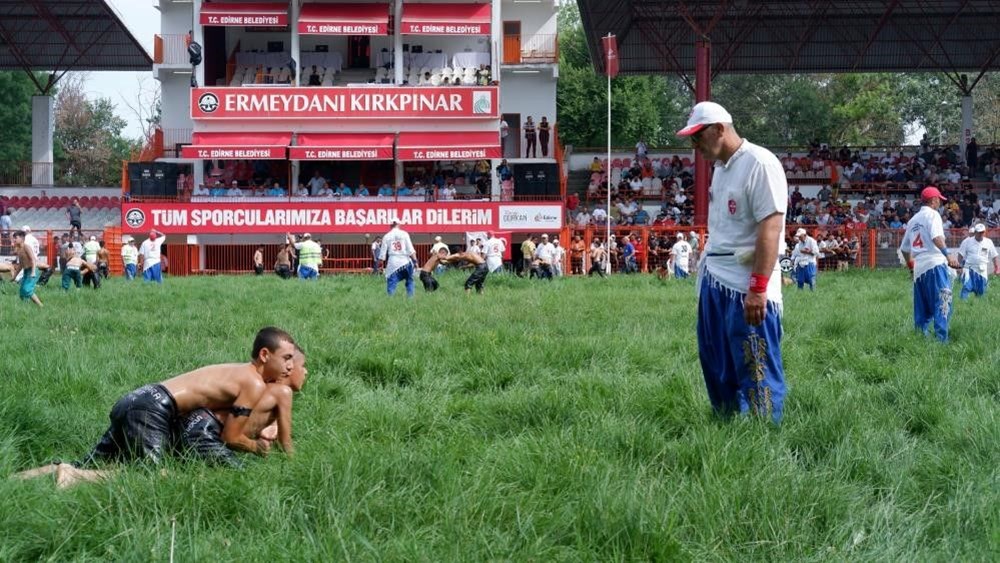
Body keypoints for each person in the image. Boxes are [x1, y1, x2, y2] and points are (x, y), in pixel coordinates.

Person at [15, 327, 298, 487]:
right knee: (149, 477)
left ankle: (18, 479)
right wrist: (257, 449)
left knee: (92, 462)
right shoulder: (253, 382)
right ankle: (73, 477)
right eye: (286, 357)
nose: (290, 365)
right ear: (264, 354)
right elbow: (231, 437)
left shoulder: (238, 372)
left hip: (138, 398)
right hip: (152, 409)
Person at [677, 101, 788, 423]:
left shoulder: (760, 163)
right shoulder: (721, 168)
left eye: (698, 137)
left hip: (744, 283)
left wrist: (758, 287)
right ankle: (724, 425)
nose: (694, 146)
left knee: (755, 361)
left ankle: (764, 430)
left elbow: (771, 227)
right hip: (716, 278)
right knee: (715, 360)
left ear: (719, 129)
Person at [899, 186, 961, 342]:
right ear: (933, 200)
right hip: (934, 263)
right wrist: (948, 255)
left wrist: (911, 267)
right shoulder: (933, 215)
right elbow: (936, 237)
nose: (940, 202)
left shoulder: (913, 220)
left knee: (922, 309)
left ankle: (920, 340)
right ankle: (942, 342)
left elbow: (905, 249)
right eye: (939, 199)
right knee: (943, 303)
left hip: (919, 268)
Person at [957, 223, 999, 299]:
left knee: (982, 292)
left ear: (984, 232)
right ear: (975, 232)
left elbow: (994, 256)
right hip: (969, 269)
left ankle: (978, 306)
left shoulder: (988, 242)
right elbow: (960, 255)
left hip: (982, 271)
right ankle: (963, 305)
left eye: (982, 232)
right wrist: (959, 266)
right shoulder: (967, 241)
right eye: (979, 232)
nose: (980, 234)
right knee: (966, 287)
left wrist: (997, 268)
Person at [378, 221, 417, 297]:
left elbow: (382, 254)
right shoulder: (404, 234)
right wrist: (415, 261)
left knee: (391, 281)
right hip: (405, 261)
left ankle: (390, 299)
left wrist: (380, 265)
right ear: (399, 224)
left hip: (393, 262)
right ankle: (411, 297)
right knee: (409, 280)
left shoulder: (386, 236)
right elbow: (411, 250)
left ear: (390, 225)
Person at [12, 230, 43, 307]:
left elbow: (33, 259)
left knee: (27, 289)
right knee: (22, 292)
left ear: (22, 238)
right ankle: (26, 307)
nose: (14, 240)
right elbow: (21, 265)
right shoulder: (19, 249)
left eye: (16, 238)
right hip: (26, 271)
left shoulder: (26, 247)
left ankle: (41, 306)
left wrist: (33, 272)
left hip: (32, 270)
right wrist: (14, 276)